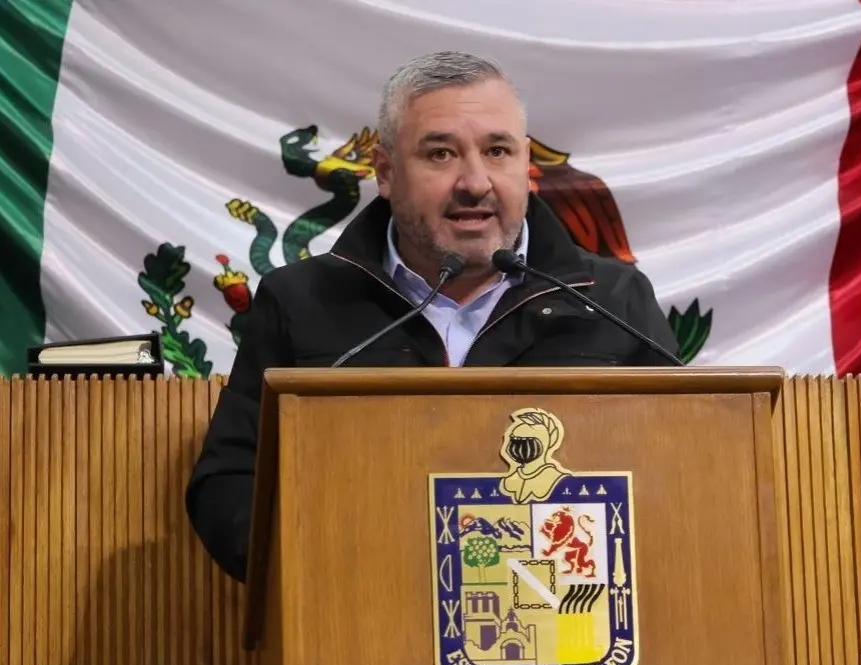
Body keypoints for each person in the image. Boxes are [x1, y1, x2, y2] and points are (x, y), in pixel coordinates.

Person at [186, 51, 679, 582]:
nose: (475, 181)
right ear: (385, 172)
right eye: (441, 154)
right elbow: (229, 484)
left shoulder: (610, 299)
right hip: (361, 618)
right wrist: (328, 567)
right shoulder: (301, 300)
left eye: (497, 151)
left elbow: (682, 471)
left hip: (567, 622)